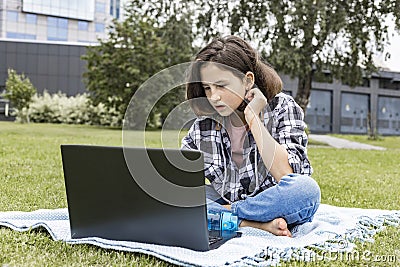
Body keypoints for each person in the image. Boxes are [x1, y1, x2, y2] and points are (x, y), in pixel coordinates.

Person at [181, 36, 320, 237]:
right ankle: (252, 224)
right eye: (207, 88)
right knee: (178, 198)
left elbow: (287, 175)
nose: (214, 97)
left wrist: (253, 118)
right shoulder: (203, 127)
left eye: (221, 85)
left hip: (275, 203)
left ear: (247, 81)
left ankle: (228, 217)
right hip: (226, 202)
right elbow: (181, 180)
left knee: (306, 191)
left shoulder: (283, 108)